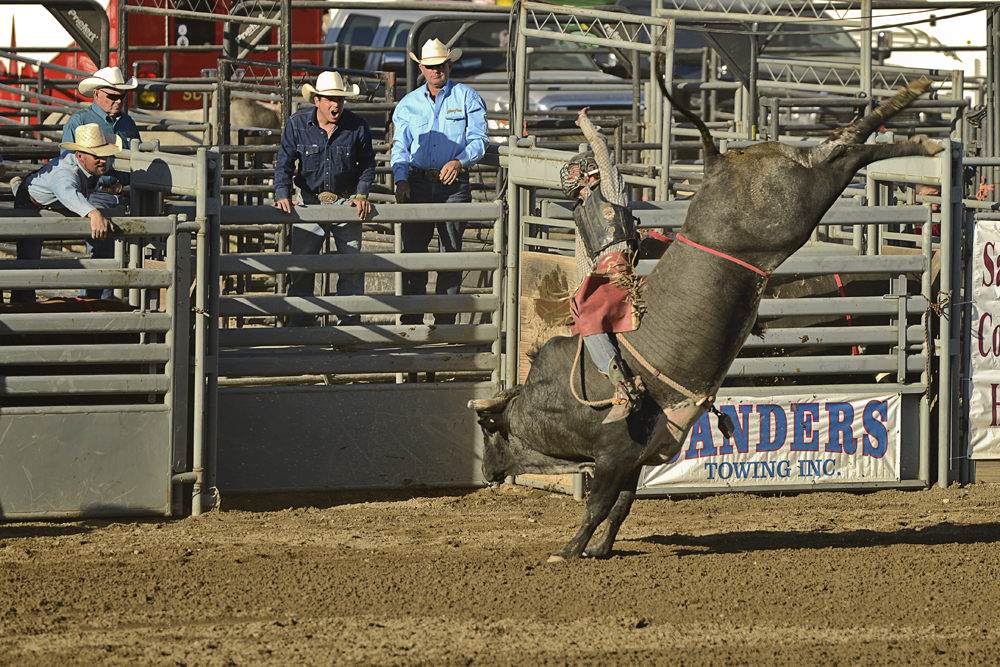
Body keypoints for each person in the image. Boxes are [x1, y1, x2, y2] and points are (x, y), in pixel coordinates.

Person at [390, 38, 488, 325]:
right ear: (422, 67)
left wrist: (460, 161)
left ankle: (445, 323)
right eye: (430, 66)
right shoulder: (408, 104)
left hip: (453, 184)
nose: (436, 71)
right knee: (413, 254)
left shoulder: (468, 98)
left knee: (451, 255)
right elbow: (400, 147)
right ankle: (412, 321)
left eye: (440, 65)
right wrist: (401, 178)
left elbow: (479, 140)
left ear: (450, 64)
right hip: (417, 183)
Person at [274, 70, 376, 327]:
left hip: (346, 201)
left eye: (339, 99)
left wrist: (362, 194)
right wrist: (282, 194)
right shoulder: (297, 124)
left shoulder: (357, 125)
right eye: (329, 99)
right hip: (309, 202)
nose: (335, 105)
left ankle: (349, 326)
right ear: (317, 100)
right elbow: (284, 163)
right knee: (302, 267)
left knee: (351, 266)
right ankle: (301, 324)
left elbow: (367, 164)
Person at [562, 107, 644, 423]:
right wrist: (582, 291)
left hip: (619, 271)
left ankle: (621, 384)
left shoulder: (609, 188)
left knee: (586, 317)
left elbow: (604, 153)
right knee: (579, 309)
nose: (572, 176)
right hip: (601, 277)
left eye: (576, 172)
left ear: (589, 174)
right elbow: (584, 263)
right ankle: (617, 378)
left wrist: (586, 124)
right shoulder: (581, 216)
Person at [9, 124, 120, 304]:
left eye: (105, 155)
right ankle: (23, 309)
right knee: (28, 260)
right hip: (31, 203)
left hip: (53, 199)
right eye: (97, 156)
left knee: (28, 261)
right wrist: (93, 212)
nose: (103, 160)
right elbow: (66, 190)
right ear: (80, 155)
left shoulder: (84, 165)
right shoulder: (66, 173)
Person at [62, 66, 141, 299]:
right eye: (112, 96)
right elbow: (68, 165)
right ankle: (96, 314)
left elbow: (138, 159)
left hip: (125, 195)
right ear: (96, 94)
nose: (118, 101)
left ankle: (98, 314)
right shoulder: (79, 121)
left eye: (122, 97)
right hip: (96, 194)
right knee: (104, 259)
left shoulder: (127, 122)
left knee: (116, 259)